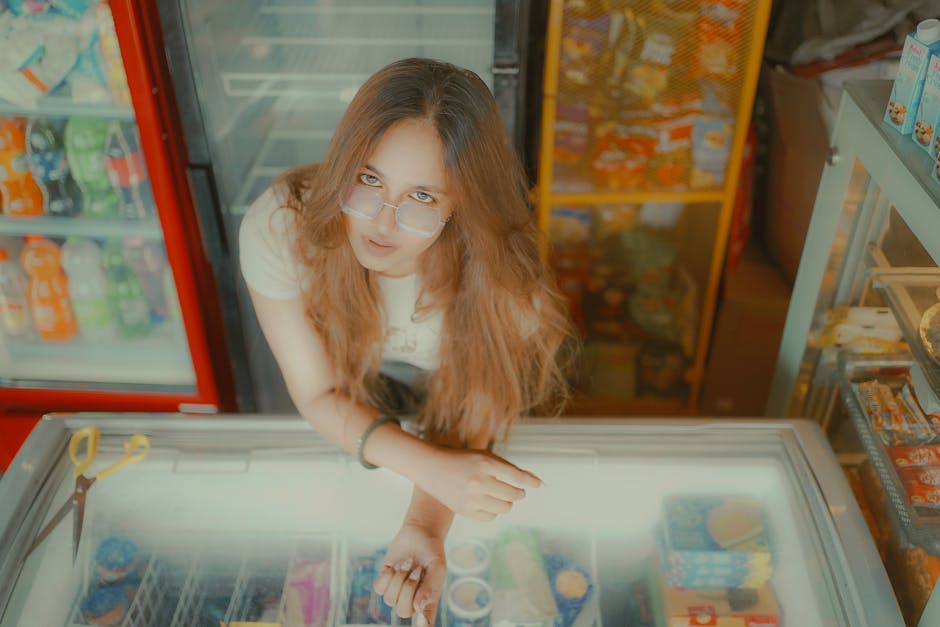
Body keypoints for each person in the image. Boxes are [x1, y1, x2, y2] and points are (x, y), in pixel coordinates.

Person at [239, 57, 573, 626]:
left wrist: (424, 521)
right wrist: (432, 472)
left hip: (450, 411)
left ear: (460, 203)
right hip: (350, 404)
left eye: (422, 198)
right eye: (368, 179)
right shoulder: (282, 225)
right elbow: (318, 395)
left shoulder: (504, 273)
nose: (382, 222)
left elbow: (476, 402)